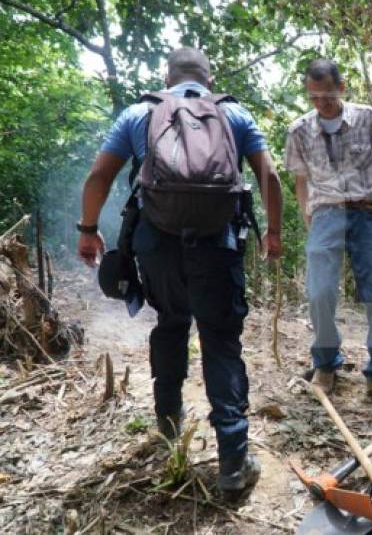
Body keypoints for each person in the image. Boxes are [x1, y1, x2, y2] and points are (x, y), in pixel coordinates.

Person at [77, 47, 283, 497]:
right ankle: (232, 462)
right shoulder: (234, 114)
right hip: (217, 244)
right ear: (210, 79)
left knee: (170, 325)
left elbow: (98, 176)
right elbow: (270, 177)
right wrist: (273, 234)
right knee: (221, 339)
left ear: (166, 76)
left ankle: (170, 429)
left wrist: (89, 230)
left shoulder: (139, 113)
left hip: (157, 244)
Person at [284, 59, 372, 407]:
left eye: (327, 95)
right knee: (320, 291)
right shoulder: (299, 130)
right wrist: (309, 215)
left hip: (366, 212)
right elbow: (300, 181)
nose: (321, 103)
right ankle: (325, 364)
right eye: (314, 97)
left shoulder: (367, 117)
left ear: (342, 87)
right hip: (325, 214)